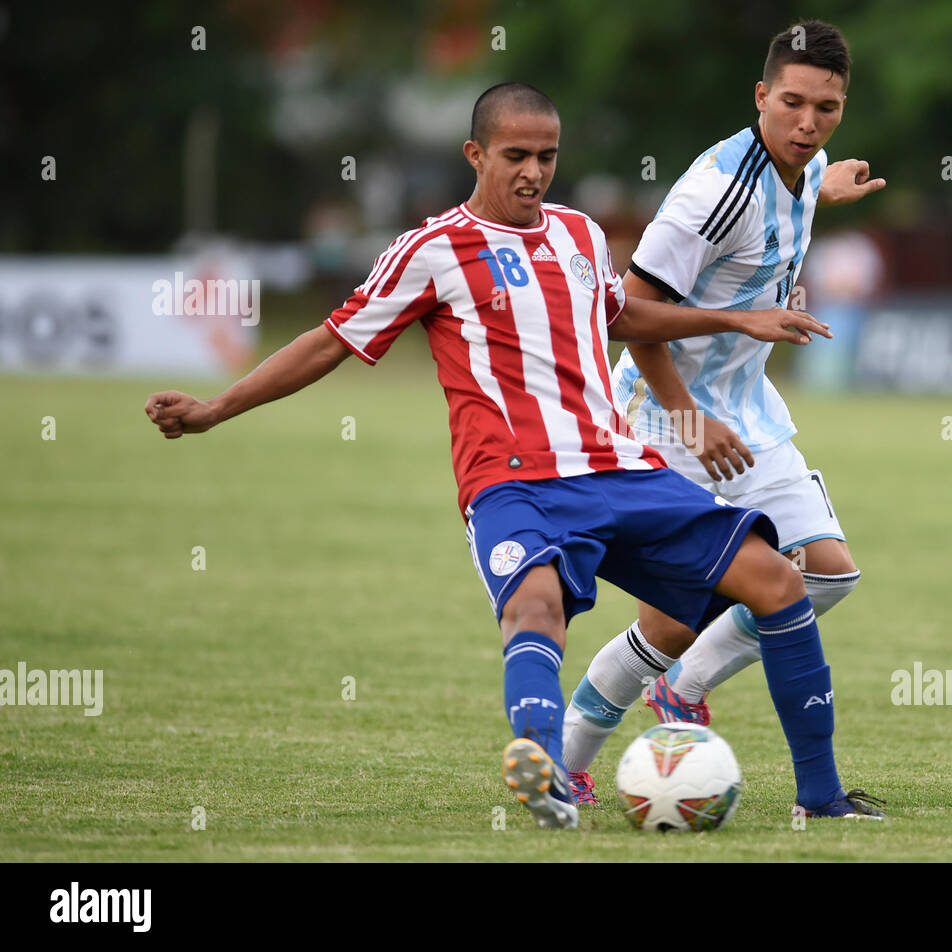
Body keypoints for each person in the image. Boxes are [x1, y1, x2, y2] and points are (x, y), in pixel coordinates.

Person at [144, 82, 876, 828]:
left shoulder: (580, 235)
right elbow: (330, 340)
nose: (533, 171)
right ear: (476, 154)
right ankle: (543, 765)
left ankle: (821, 796)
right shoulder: (430, 249)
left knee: (781, 583)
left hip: (619, 468)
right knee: (536, 605)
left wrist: (733, 318)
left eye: (547, 156)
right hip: (515, 484)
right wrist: (215, 408)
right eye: (516, 155)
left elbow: (623, 314)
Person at [562, 21, 887, 819]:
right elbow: (630, 314)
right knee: (671, 620)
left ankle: (684, 693)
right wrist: (686, 418)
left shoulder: (799, 165)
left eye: (828, 107)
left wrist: (826, 186)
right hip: (667, 421)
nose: (809, 123)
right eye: (792, 104)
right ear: (759, 97)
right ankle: (559, 763)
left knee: (830, 570)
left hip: (749, 413)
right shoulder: (712, 192)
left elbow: (792, 195)